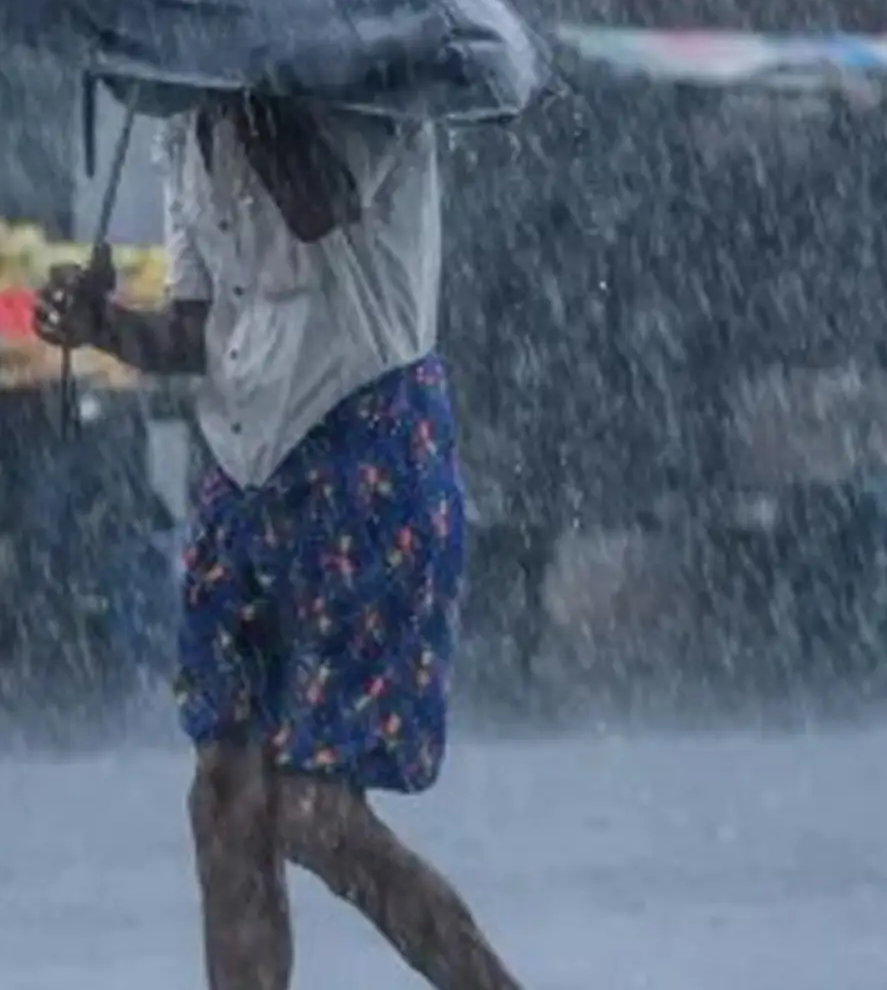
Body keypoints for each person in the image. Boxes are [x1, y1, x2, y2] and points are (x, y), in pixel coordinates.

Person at [36, 94, 524, 990]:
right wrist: (103, 323)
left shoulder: (365, 89)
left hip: (364, 460)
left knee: (316, 813)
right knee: (227, 797)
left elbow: (314, 205)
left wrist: (244, 91)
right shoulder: (186, 130)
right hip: (241, 475)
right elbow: (199, 328)